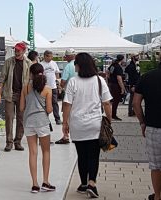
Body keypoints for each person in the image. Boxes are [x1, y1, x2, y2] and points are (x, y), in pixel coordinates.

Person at [62, 53, 112, 198]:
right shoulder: (99, 80)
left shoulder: (73, 82)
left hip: (77, 124)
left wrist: (65, 123)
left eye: (76, 63)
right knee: (93, 155)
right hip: (95, 124)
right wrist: (109, 119)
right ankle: (92, 184)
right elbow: (107, 103)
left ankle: (83, 184)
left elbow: (67, 104)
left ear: (79, 65)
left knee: (82, 155)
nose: (75, 66)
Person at [20, 63, 55, 193]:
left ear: (31, 74)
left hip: (29, 123)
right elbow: (50, 109)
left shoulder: (25, 88)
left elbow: (22, 108)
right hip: (42, 123)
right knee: (46, 151)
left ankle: (35, 184)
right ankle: (45, 181)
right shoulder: (47, 89)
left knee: (32, 153)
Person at [133, 58, 161, 200]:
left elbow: (136, 103)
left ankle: (157, 195)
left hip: (154, 127)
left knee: (156, 166)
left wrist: (142, 122)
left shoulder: (147, 77)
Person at [0, 42, 32, 152]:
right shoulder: (9, 62)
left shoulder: (28, 63)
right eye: (15, 50)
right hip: (10, 93)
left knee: (21, 119)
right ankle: (9, 142)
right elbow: (2, 79)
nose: (16, 52)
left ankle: (18, 141)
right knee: (9, 117)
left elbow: (31, 80)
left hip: (23, 95)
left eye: (19, 50)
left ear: (24, 51)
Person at [55, 48, 77, 144]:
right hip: (80, 94)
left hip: (69, 93)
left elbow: (63, 81)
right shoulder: (79, 65)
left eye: (66, 56)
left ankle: (66, 136)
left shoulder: (68, 66)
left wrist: (60, 87)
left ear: (69, 56)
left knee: (66, 115)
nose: (65, 57)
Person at [40, 50, 61, 125]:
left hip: (53, 86)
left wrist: (58, 83)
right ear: (45, 56)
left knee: (55, 103)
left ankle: (57, 119)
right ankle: (46, 119)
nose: (50, 58)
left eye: (51, 56)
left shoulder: (54, 63)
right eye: (49, 56)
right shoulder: (41, 64)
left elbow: (57, 73)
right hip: (45, 87)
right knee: (45, 103)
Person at [107, 54, 125, 121]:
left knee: (114, 100)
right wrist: (122, 88)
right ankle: (113, 115)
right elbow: (119, 78)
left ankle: (113, 114)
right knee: (116, 100)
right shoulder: (118, 67)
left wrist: (110, 78)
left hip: (112, 83)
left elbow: (107, 72)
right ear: (122, 59)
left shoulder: (113, 65)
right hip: (116, 85)